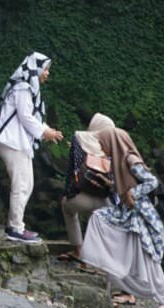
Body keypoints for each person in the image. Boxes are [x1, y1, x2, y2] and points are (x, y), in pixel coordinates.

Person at [81, 127, 164, 308]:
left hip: (141, 217)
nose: (102, 148)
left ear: (113, 142)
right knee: (99, 218)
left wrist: (132, 193)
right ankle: (109, 266)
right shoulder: (118, 160)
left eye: (103, 144)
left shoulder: (130, 159)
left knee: (148, 257)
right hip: (129, 215)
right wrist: (111, 185)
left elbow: (151, 182)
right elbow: (125, 184)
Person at [0, 51, 63, 243]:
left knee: (27, 184)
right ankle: (15, 228)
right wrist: (44, 133)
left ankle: (16, 225)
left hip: (17, 143)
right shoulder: (23, 88)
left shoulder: (27, 88)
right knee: (22, 184)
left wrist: (48, 130)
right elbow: (26, 116)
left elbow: (30, 117)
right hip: (12, 142)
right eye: (46, 69)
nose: (47, 73)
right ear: (37, 68)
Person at [59, 112, 115, 261]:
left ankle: (78, 250)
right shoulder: (112, 147)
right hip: (105, 203)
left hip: (81, 199)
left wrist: (68, 194)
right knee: (97, 218)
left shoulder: (79, 139)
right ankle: (98, 259)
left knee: (66, 205)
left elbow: (72, 172)